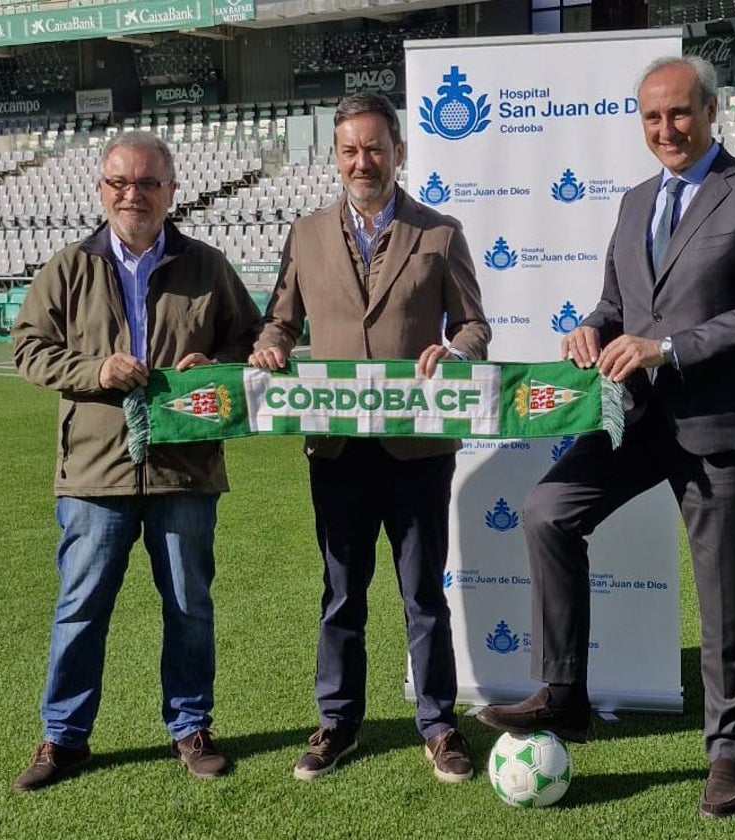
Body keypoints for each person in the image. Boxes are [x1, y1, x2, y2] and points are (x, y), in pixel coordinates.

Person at [476, 55, 735, 818]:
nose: (667, 130)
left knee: (724, 602)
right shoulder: (632, 202)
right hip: (637, 416)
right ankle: (563, 696)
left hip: (727, 428)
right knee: (547, 511)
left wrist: (668, 348)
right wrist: (590, 330)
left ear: (711, 111)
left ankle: (727, 753)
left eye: (680, 113)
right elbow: (615, 304)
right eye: (653, 118)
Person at [249, 91, 490, 783]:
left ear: (399, 152)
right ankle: (337, 723)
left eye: (375, 148)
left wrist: (458, 352)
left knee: (423, 595)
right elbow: (280, 323)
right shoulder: (305, 234)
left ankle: (439, 724)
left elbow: (474, 326)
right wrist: (269, 348)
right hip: (335, 447)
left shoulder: (439, 232)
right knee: (341, 594)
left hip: (418, 448)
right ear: (336, 157)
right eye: (350, 150)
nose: (364, 161)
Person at [11, 130, 261, 792]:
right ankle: (63, 738)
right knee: (81, 606)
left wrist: (216, 367)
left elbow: (257, 343)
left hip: (186, 468)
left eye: (148, 183)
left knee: (189, 605)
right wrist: (96, 370)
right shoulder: (68, 267)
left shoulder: (208, 266)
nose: (133, 195)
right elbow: (29, 349)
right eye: (119, 182)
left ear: (172, 191)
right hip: (95, 470)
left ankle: (190, 727)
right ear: (101, 190)